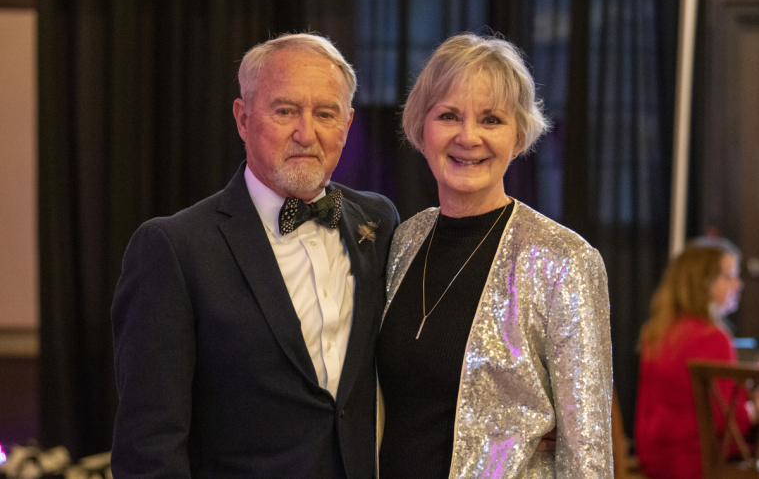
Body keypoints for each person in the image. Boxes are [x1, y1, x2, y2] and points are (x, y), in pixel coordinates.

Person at [110, 33, 400, 478]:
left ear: (346, 124)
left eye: (325, 113)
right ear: (243, 119)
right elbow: (148, 446)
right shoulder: (173, 248)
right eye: (285, 111)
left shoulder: (379, 223)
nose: (307, 133)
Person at [375, 33, 613, 478]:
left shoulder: (564, 259)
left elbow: (589, 452)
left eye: (491, 120)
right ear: (421, 128)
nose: (469, 137)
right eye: (448, 116)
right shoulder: (405, 239)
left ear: (519, 135)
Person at [635, 239, 748, 479]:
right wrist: (754, 408)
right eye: (729, 277)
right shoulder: (713, 338)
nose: (738, 284)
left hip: (654, 460)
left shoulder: (656, 333)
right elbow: (729, 422)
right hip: (697, 464)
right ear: (704, 283)